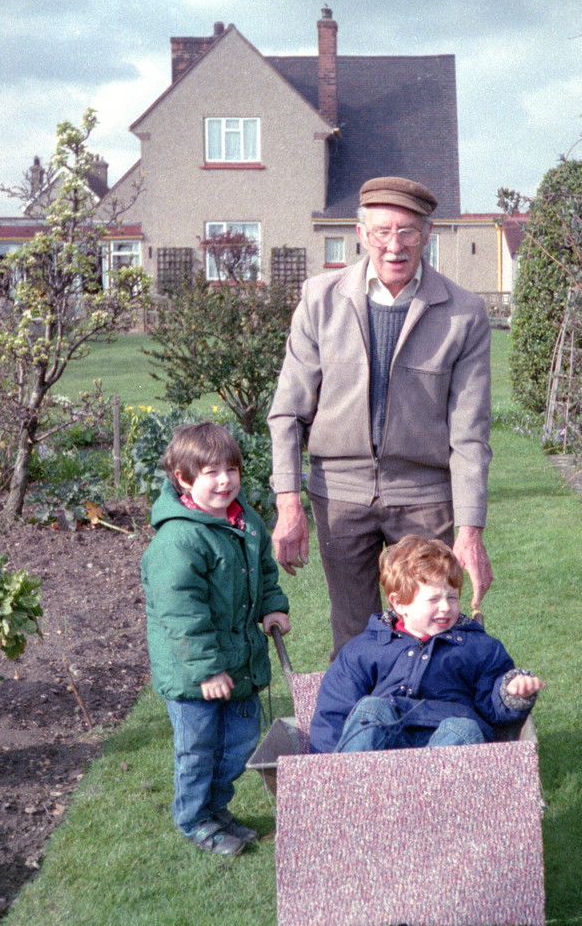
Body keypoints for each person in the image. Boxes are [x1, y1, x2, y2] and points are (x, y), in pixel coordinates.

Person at [269, 175, 493, 657]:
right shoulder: (319, 299)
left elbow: (470, 435)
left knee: (431, 633)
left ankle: (429, 708)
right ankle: (359, 709)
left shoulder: (464, 313)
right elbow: (287, 412)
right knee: (354, 640)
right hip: (339, 494)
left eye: (408, 231)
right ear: (360, 233)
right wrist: (288, 505)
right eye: (382, 231)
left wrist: (470, 532)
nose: (395, 246)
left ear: (427, 234)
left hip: (424, 496)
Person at [140, 422, 291, 856]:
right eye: (211, 473)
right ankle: (194, 820)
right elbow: (181, 615)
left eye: (232, 470)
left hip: (239, 664)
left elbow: (263, 570)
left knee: (240, 742)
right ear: (183, 479)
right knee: (198, 750)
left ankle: (216, 808)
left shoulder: (246, 522)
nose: (225, 481)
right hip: (194, 676)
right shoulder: (179, 541)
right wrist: (207, 671)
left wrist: (272, 604)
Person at [307, 535, 543, 754]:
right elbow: (334, 710)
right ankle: (346, 779)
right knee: (371, 709)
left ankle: (431, 784)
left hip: (446, 738)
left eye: (452, 597)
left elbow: (492, 702)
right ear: (399, 603)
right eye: (434, 599)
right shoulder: (365, 649)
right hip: (384, 745)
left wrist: (510, 691)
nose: (445, 607)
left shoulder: (476, 647)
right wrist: (323, 765)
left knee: (464, 729)